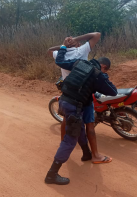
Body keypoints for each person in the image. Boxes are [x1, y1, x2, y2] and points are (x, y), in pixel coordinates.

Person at [45, 37, 118, 185]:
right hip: (74, 106)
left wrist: (64, 47)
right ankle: (52, 174)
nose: (105, 71)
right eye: (106, 69)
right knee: (70, 140)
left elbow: (60, 62)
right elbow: (113, 92)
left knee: (80, 130)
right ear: (103, 66)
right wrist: (104, 77)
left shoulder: (80, 63)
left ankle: (86, 154)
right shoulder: (98, 74)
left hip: (64, 101)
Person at [48, 33, 109, 164]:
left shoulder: (61, 54)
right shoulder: (82, 50)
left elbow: (49, 50)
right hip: (84, 94)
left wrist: (64, 44)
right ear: (77, 45)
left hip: (69, 95)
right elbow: (96, 34)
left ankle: (63, 145)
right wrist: (76, 39)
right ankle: (95, 155)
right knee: (89, 124)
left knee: (67, 120)